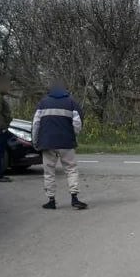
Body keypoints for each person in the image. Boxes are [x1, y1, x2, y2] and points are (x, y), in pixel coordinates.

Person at [31, 82, 88, 210]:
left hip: (47, 143)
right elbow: (77, 123)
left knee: (49, 172)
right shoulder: (71, 103)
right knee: (71, 169)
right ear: (65, 91)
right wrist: (73, 135)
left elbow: (36, 124)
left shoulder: (42, 103)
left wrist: (35, 142)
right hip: (66, 143)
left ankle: (51, 200)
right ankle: (74, 198)